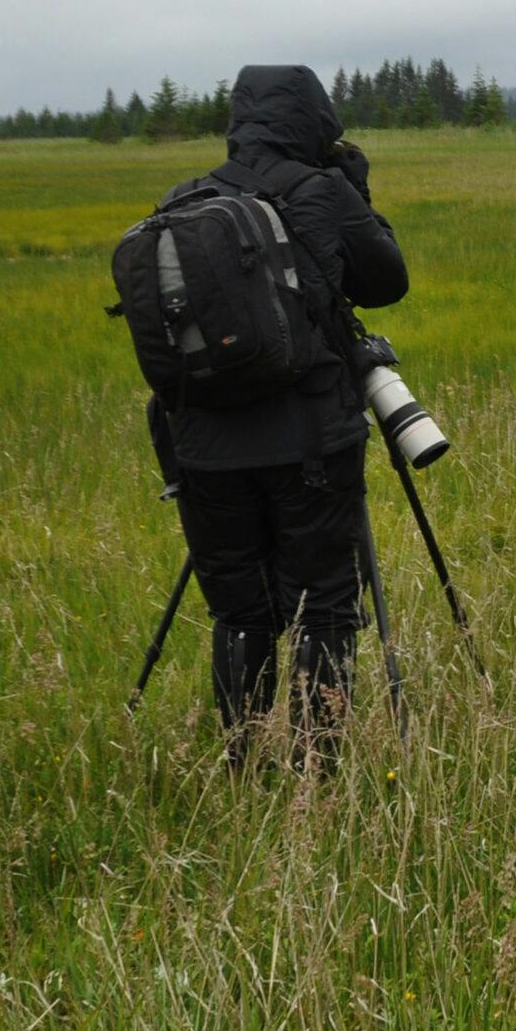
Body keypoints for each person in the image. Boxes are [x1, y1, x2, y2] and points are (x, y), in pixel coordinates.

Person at [160, 65, 408, 770]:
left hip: (204, 450)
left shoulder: (184, 200)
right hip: (310, 447)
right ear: (314, 118)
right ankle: (315, 771)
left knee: (240, 610)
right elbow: (387, 280)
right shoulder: (319, 190)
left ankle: (241, 760)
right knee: (325, 604)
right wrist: (354, 192)